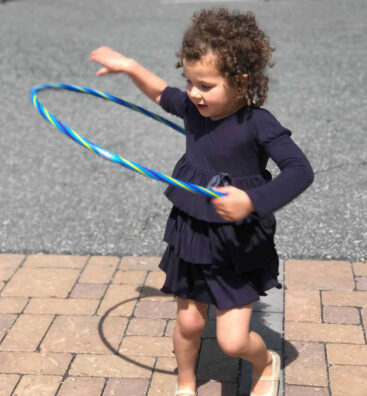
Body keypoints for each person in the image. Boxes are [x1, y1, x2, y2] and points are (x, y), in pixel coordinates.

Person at [90, 8, 313, 396]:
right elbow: (162, 92)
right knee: (190, 324)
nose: (193, 93)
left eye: (205, 85)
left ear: (241, 82)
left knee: (232, 341)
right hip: (192, 231)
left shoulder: (258, 124)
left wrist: (253, 201)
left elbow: (299, 170)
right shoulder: (194, 110)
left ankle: (265, 363)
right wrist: (129, 66)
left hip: (236, 242)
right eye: (190, 81)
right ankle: (186, 383)